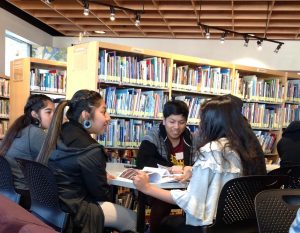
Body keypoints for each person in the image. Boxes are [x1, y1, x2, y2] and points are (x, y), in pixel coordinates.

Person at [133, 95, 266, 233]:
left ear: (212, 122)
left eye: (203, 120)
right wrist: (194, 170)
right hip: (241, 224)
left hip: (210, 227)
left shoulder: (211, 150)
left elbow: (191, 203)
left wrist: (147, 188)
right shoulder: (242, 148)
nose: (200, 125)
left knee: (166, 224)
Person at [36, 89, 136, 233]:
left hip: (52, 208)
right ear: (85, 115)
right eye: (103, 112)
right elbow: (101, 195)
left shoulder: (58, 132)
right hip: (77, 212)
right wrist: (102, 179)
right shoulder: (92, 149)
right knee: (134, 220)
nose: (108, 118)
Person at [136, 99, 193, 233]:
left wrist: (188, 168)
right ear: (164, 120)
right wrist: (170, 168)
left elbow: (198, 161)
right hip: (159, 187)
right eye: (172, 121)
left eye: (181, 122)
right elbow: (143, 162)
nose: (176, 127)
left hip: (185, 186)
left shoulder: (190, 137)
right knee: (162, 202)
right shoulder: (153, 135)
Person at [0, 94, 54, 209]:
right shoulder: (36, 133)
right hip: (26, 197)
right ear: (34, 114)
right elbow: (54, 163)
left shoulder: (17, 129)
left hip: (9, 194)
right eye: (48, 112)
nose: (53, 117)